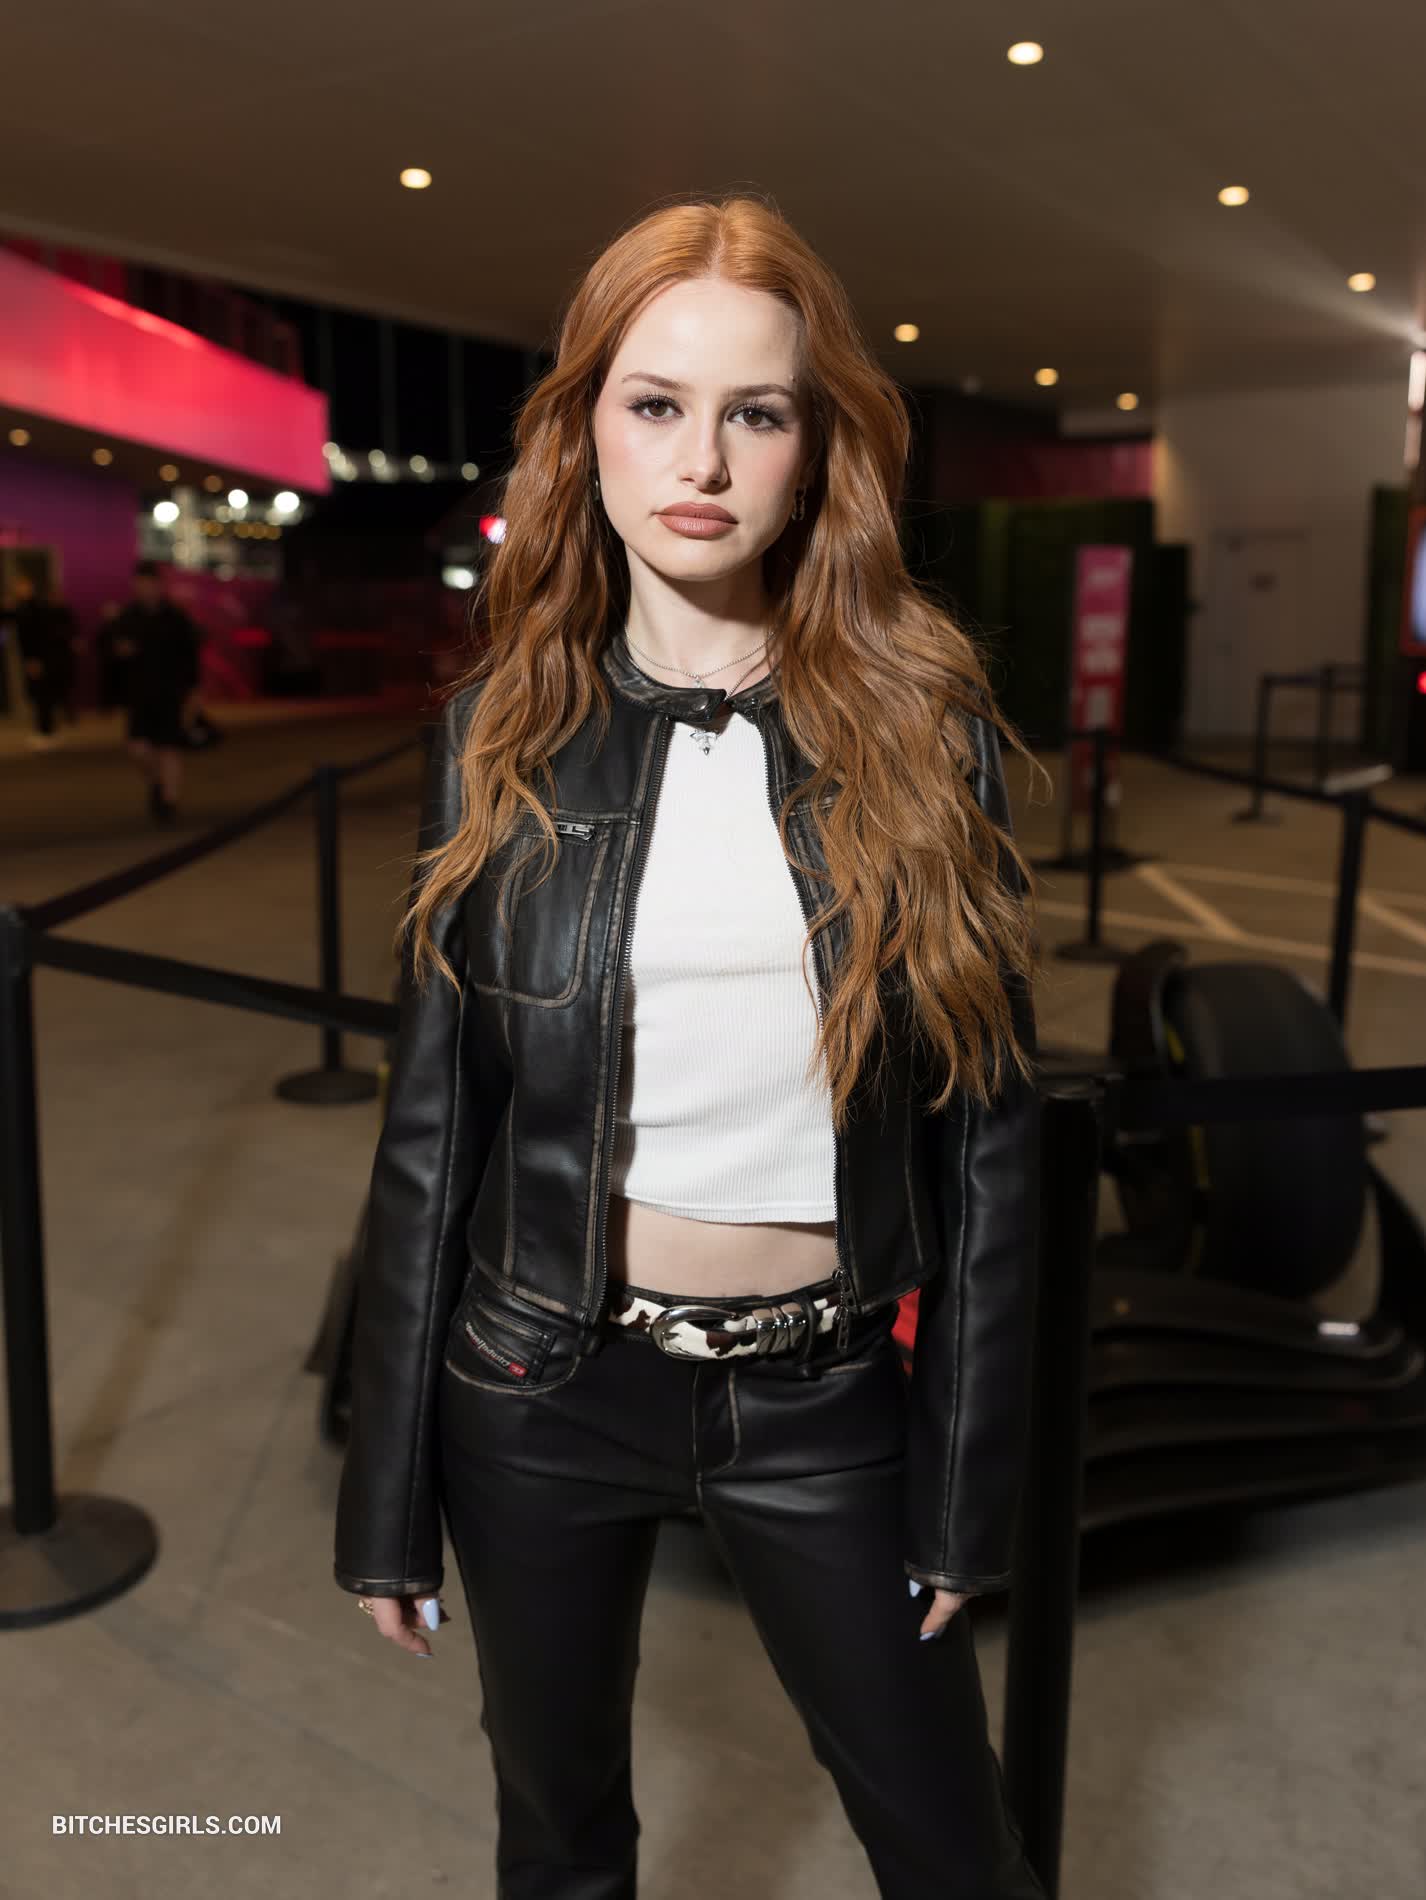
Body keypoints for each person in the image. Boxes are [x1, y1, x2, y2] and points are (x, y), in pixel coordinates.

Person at [334, 193, 1051, 1900]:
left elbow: (990, 1142)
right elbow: (432, 1133)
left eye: (758, 412)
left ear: (819, 451)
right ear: (585, 430)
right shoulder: (501, 733)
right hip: (538, 1385)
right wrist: (385, 1495)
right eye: (654, 403)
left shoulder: (925, 733)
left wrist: (966, 1494)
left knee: (955, 1854)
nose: (702, 461)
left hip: (823, 1397)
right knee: (560, 1844)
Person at [107, 560, 204, 823]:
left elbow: (189, 656)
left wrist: (194, 691)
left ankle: (169, 801)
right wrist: (118, 647)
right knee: (137, 748)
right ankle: (158, 783)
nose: (143, 589)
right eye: (139, 584)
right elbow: (110, 652)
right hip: (139, 693)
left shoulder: (175, 618)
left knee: (169, 747)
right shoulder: (128, 617)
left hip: (171, 693)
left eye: (148, 584)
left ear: (159, 585)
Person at [8, 572, 78, 749]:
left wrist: (34, 659)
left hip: (42, 660)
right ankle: (47, 730)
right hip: (40, 659)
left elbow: (37, 637)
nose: (20, 589)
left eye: (23, 586)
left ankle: (46, 732)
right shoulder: (24, 608)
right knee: (42, 695)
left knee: (43, 696)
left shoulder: (36, 609)